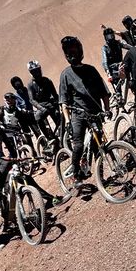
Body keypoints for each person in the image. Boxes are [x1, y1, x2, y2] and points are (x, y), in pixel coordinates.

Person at [58, 36, 110, 187]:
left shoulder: (91, 70)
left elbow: (104, 92)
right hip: (78, 116)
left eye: (73, 51)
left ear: (79, 51)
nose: (71, 54)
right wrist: (68, 121)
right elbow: (64, 101)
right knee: (79, 145)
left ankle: (101, 177)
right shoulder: (65, 74)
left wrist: (107, 110)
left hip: (95, 114)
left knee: (98, 146)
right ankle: (76, 175)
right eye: (68, 52)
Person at [26, 60, 62, 147]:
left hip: (51, 104)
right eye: (34, 71)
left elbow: (55, 95)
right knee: (38, 117)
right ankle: (49, 138)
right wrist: (41, 108)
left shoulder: (47, 80)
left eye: (38, 70)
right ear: (31, 73)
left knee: (60, 120)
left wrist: (59, 105)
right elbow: (32, 100)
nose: (37, 73)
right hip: (41, 106)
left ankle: (64, 137)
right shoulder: (30, 85)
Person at [101, 26, 125, 92]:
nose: (110, 37)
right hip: (113, 70)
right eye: (108, 36)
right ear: (105, 37)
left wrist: (135, 49)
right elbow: (104, 61)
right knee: (118, 90)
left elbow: (127, 46)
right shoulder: (105, 48)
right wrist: (108, 74)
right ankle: (118, 94)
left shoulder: (118, 43)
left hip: (122, 66)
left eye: (111, 35)